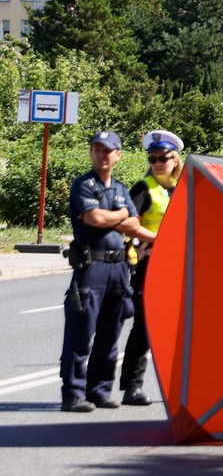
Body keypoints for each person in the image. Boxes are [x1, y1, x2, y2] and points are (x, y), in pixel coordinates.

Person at [59, 132, 155, 413]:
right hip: (92, 268)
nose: (102, 155)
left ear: (118, 155)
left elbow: (134, 224)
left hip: (119, 267)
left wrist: (159, 238)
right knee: (80, 333)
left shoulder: (122, 188)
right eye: (97, 149)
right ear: (91, 153)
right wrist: (121, 215)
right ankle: (74, 394)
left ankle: (99, 390)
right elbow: (96, 218)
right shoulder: (83, 185)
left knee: (110, 333)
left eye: (108, 150)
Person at [118, 130, 183, 407]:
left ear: (175, 159)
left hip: (180, 268)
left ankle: (180, 388)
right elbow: (125, 224)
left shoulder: (184, 188)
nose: (158, 163)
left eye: (163, 158)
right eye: (153, 158)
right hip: (149, 268)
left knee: (180, 329)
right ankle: (132, 387)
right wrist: (142, 244)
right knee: (144, 328)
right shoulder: (143, 188)